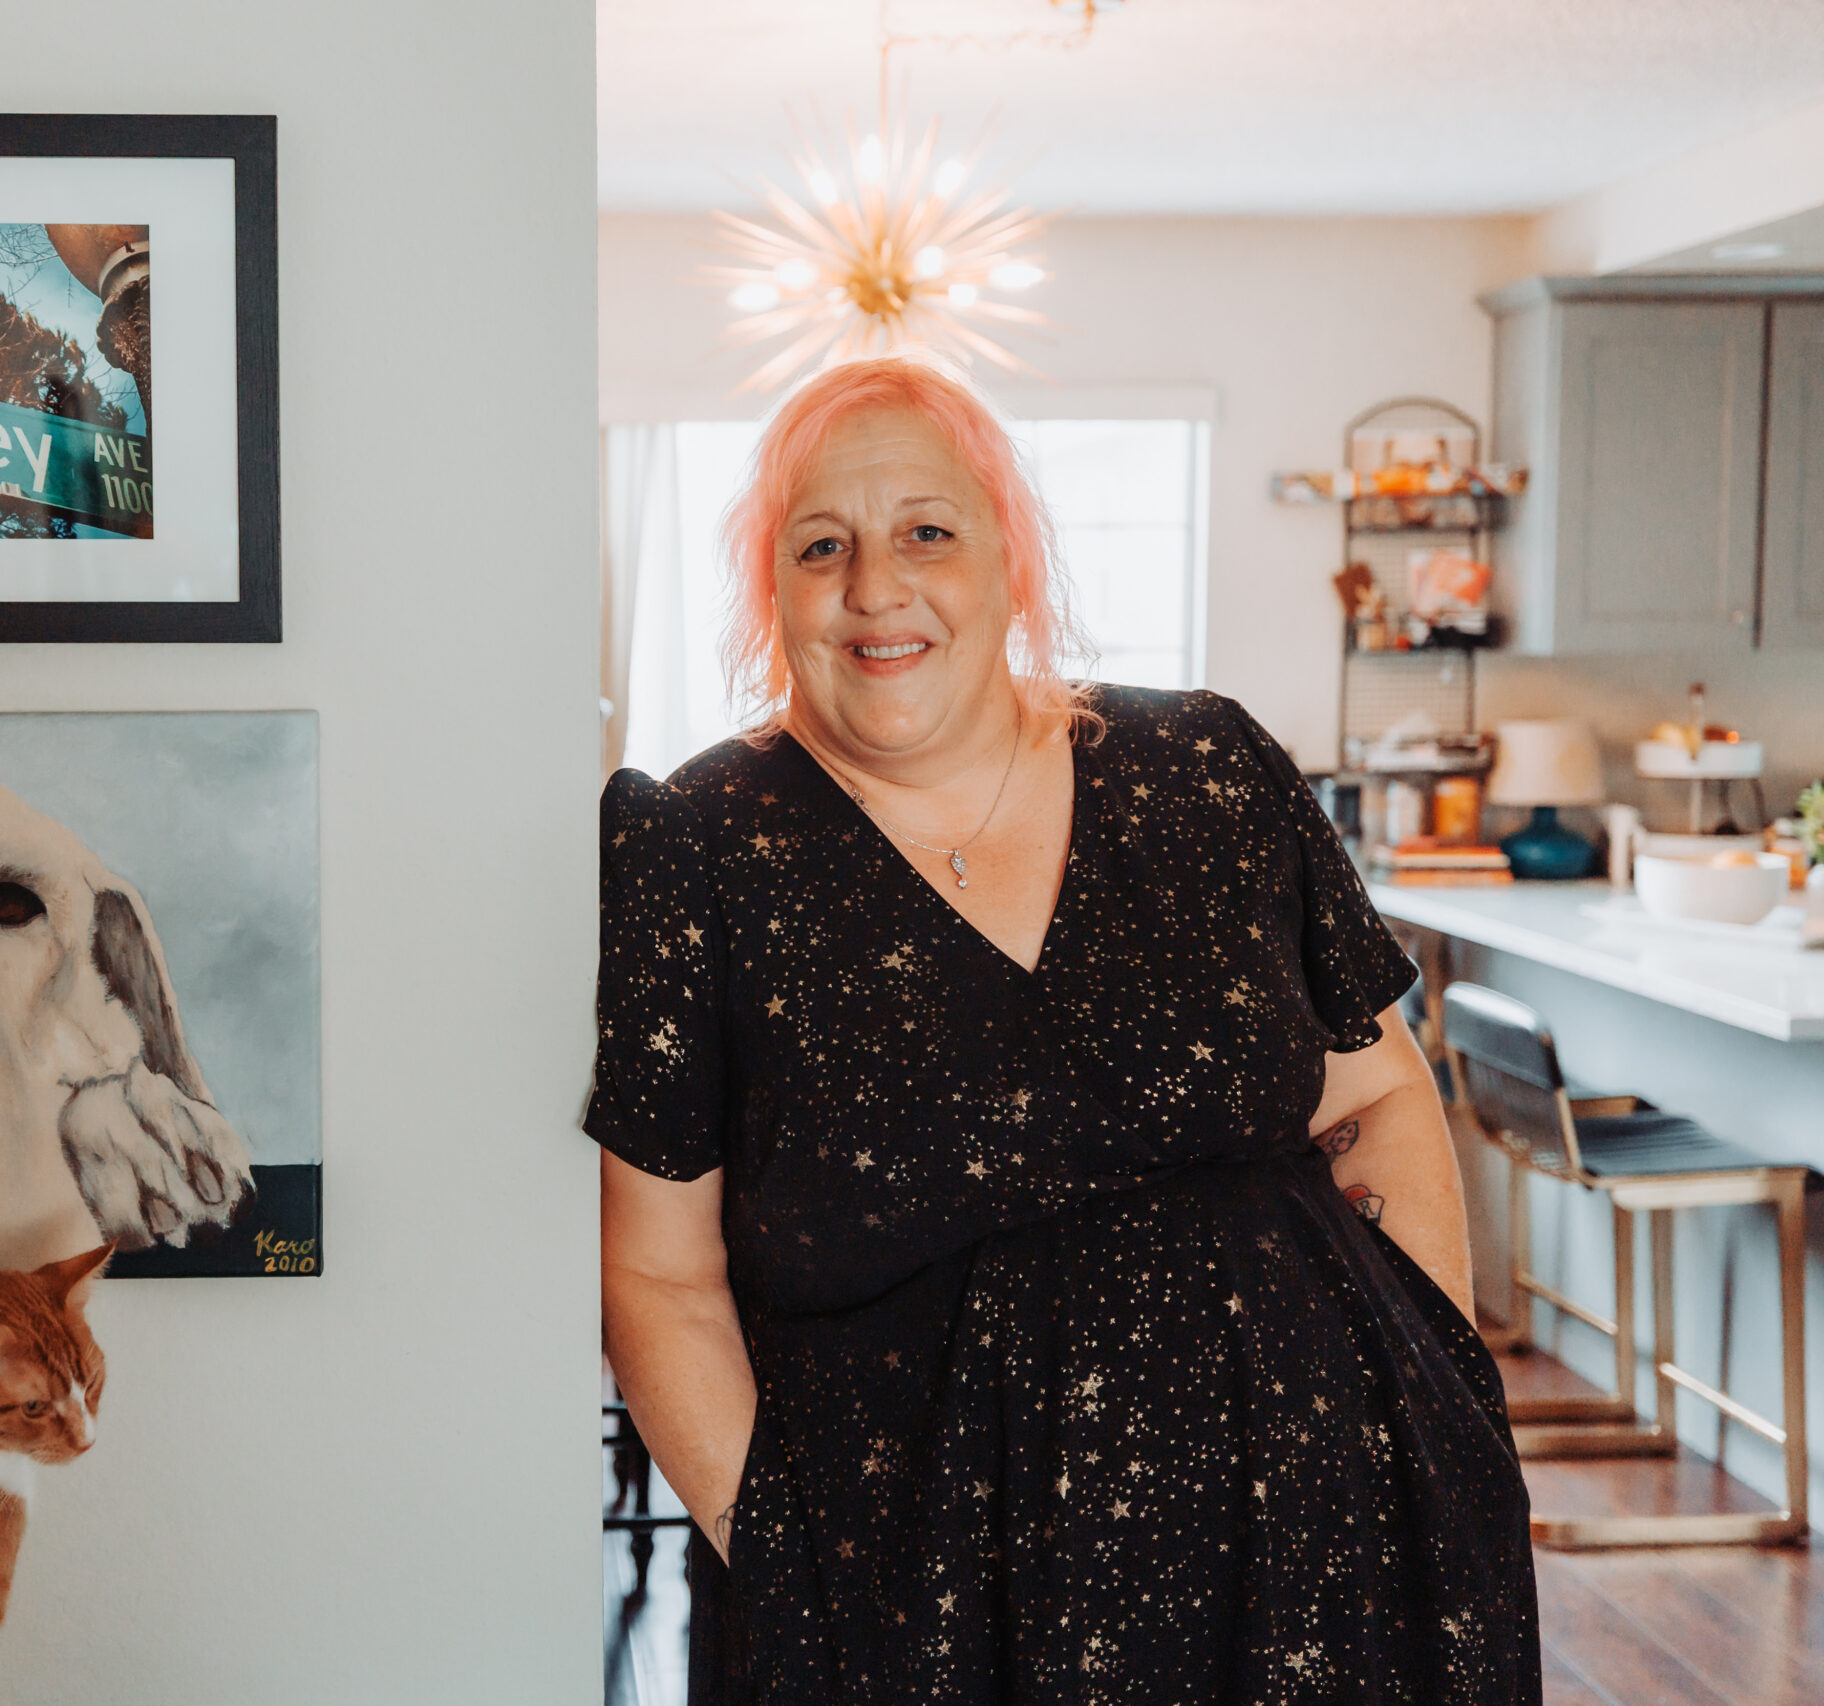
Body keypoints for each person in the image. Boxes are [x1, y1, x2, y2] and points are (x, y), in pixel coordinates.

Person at [591, 357, 1539, 1704]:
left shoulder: (1208, 768)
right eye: (822, 546)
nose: (877, 587)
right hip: (924, 1612)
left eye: (928, 530)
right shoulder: (695, 848)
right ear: (771, 589)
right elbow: (659, 1277)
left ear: (1011, 557)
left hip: (1330, 1558)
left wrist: (1430, 1403)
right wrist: (799, 1579)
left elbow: (1380, 1096)